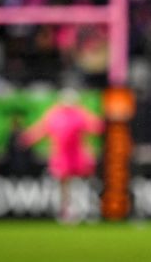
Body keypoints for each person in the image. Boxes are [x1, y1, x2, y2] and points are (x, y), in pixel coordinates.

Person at [22, 90, 103, 223]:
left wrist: (27, 138)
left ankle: (87, 208)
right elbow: (41, 130)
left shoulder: (74, 114)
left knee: (79, 183)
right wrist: (27, 138)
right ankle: (70, 211)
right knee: (67, 185)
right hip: (65, 157)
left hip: (76, 156)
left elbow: (96, 127)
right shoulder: (63, 115)